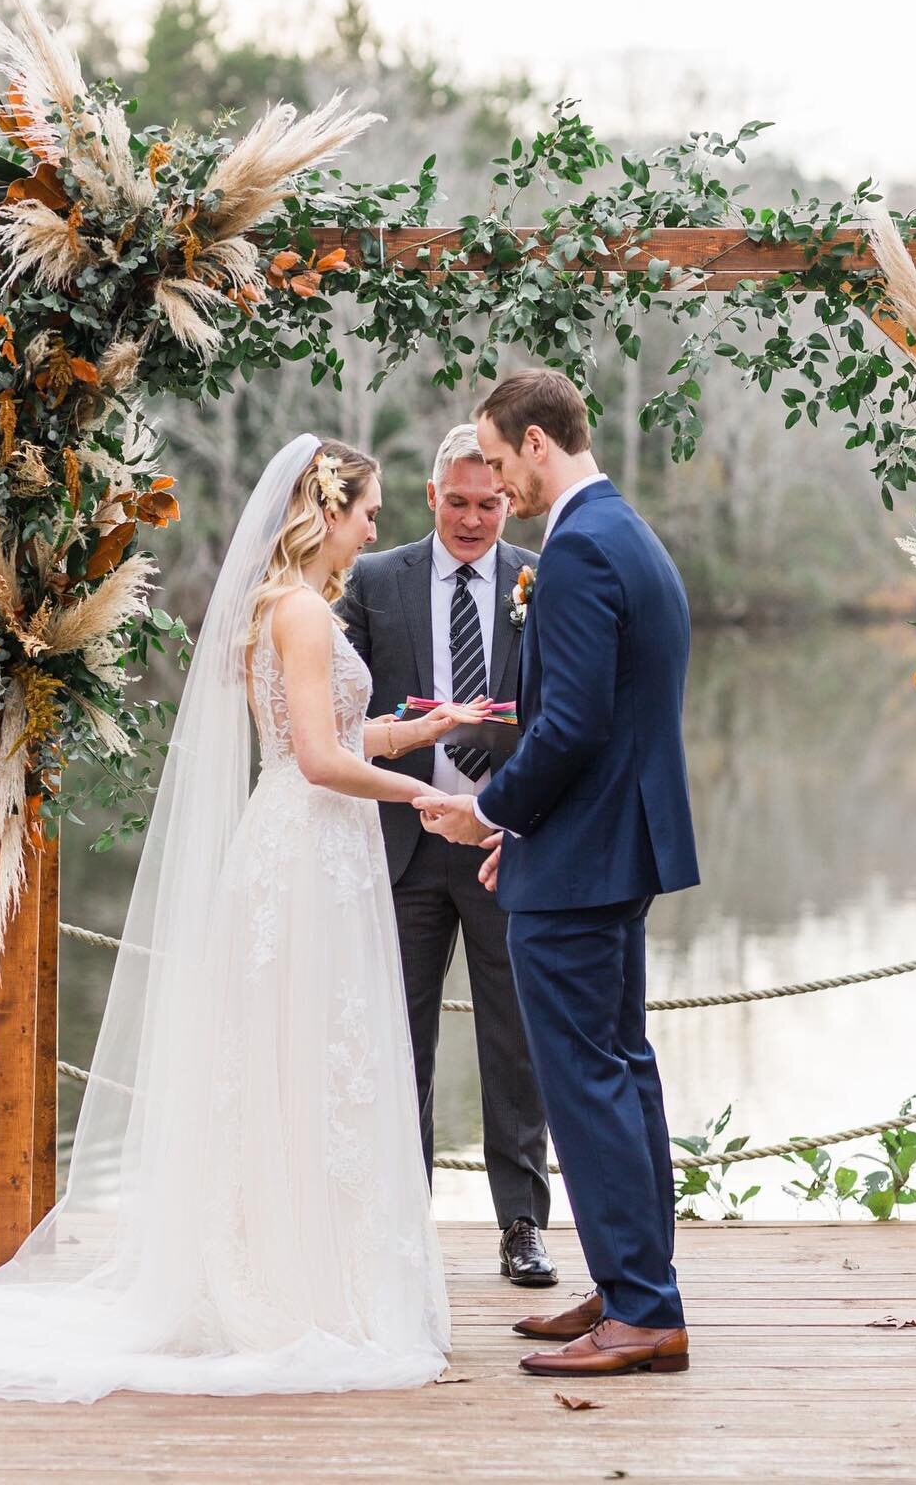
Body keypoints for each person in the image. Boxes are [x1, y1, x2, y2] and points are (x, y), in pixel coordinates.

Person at [0, 436, 463, 1401]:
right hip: (312, 843)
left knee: (292, 1056)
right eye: (369, 508)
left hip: (300, 840)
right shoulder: (307, 613)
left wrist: (415, 732)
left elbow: (319, 738)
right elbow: (318, 760)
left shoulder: (279, 609)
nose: (376, 525)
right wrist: (421, 798)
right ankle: (301, 1283)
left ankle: (293, 1261)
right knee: (301, 1057)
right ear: (328, 508)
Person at [416, 370, 700, 1380]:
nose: (492, 483)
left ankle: (645, 1309)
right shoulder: (626, 531)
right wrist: (525, 831)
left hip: (579, 865)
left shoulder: (579, 549)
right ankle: (630, 1285)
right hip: (605, 848)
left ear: (535, 444)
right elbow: (613, 719)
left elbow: (574, 724)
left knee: (587, 1082)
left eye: (495, 460)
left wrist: (489, 810)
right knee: (620, 1070)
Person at [339, 425, 554, 1288]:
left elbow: (557, 712)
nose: (473, 521)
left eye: (489, 504)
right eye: (458, 503)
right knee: (399, 1044)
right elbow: (332, 703)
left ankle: (523, 1227)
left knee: (516, 1045)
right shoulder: (371, 578)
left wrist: (495, 746)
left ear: (507, 496)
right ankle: (402, 1231)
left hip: (503, 842)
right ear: (432, 499)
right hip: (401, 847)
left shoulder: (540, 576)